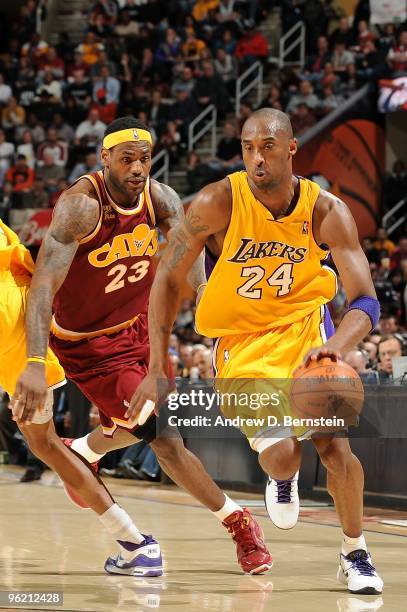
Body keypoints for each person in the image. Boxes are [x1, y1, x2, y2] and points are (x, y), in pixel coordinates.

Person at [131, 108, 384, 595]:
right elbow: (166, 278)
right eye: (248, 147)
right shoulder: (217, 202)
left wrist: (336, 347)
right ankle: (282, 479)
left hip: (307, 333)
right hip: (242, 346)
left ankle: (355, 553)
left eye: (267, 146)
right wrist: (156, 364)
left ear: (291, 149)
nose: (256, 157)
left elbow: (366, 300)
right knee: (285, 458)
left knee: (336, 450)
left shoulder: (327, 210)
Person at [12, 116, 271, 576]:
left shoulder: (162, 199)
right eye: (127, 159)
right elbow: (44, 287)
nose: (137, 168)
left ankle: (87, 451)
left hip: (138, 329)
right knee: (167, 438)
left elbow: (183, 258)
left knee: (153, 422)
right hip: (90, 346)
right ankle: (239, 522)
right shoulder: (81, 207)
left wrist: (213, 305)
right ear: (105, 158)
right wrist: (35, 360)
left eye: (144, 159)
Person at [1, 218, 166, 577]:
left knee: (46, 444)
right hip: (33, 315)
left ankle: (135, 541)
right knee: (50, 443)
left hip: (15, 330)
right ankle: (133, 538)